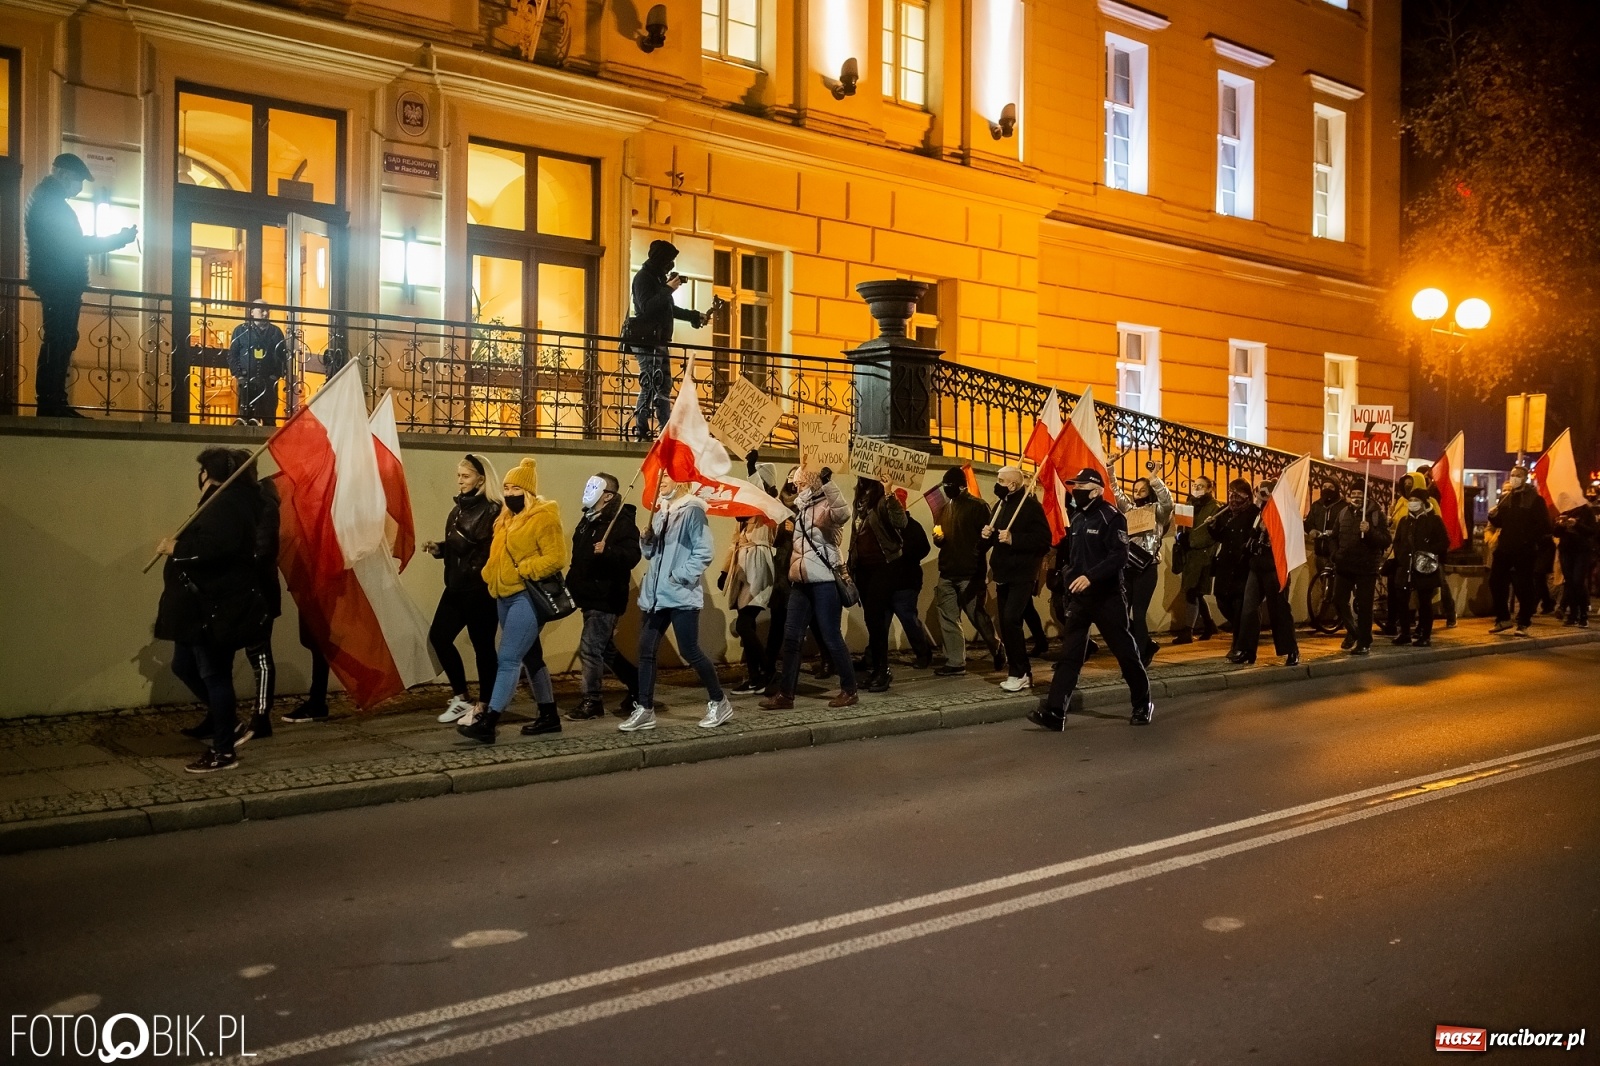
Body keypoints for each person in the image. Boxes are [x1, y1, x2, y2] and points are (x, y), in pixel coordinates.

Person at [154, 448, 269, 773]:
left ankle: (223, 751)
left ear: (208, 474)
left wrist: (177, 549)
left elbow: (216, 549)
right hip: (198, 611)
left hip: (215, 609)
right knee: (183, 664)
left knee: (215, 675)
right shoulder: (220, 503)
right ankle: (227, 722)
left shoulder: (227, 505)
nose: (199, 476)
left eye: (202, 470)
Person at [1028, 468, 1153, 730]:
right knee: (1070, 655)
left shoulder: (1112, 517)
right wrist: (1067, 581)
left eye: (1082, 486)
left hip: (1108, 597)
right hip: (1081, 599)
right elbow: (1074, 557)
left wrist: (1091, 576)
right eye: (1075, 486)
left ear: (1096, 490)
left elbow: (1118, 556)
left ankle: (1142, 703)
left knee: (1125, 651)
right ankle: (1055, 712)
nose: (1076, 490)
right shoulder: (1078, 518)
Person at [459, 458, 567, 743]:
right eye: (506, 487)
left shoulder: (544, 517)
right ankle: (549, 715)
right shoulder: (505, 519)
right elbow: (496, 556)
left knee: (508, 659)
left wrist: (525, 570)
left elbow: (556, 558)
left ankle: (489, 722)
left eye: (515, 488)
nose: (508, 493)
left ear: (528, 491)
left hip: (527, 596)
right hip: (503, 595)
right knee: (532, 657)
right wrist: (489, 573)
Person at [24, 153, 138, 418]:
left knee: (61, 340)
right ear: (64, 175)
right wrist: (118, 239)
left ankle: (53, 401)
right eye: (78, 182)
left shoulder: (46, 199)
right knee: (59, 341)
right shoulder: (51, 203)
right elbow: (76, 244)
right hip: (59, 282)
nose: (79, 188)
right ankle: (51, 403)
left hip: (57, 281)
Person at [622, 473, 733, 731]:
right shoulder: (663, 510)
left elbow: (704, 551)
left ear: (680, 481)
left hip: (680, 595)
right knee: (646, 650)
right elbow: (651, 554)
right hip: (656, 596)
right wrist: (646, 539)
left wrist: (678, 575)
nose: (661, 482)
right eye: (660, 478)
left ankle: (719, 701)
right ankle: (645, 709)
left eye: (667, 477)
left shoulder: (692, 511)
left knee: (689, 650)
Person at [760, 467, 858, 710]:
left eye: (801, 481)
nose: (796, 485)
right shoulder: (800, 507)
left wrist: (828, 483)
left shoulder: (827, 505)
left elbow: (843, 513)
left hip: (824, 581)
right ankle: (786, 694)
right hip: (800, 582)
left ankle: (849, 689)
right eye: (795, 481)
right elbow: (774, 504)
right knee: (791, 636)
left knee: (831, 635)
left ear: (812, 482)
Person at [423, 454, 502, 725]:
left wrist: (466, 562)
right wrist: (440, 549)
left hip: (479, 590)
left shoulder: (492, 509)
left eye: (465, 476)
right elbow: (459, 548)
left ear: (481, 478)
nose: (460, 481)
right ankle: (461, 696)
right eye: (458, 476)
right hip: (455, 586)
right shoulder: (458, 509)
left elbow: (484, 549)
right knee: (439, 637)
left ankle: (485, 704)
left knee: (483, 648)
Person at [566, 471, 645, 718]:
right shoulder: (588, 520)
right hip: (588, 595)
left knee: (590, 649)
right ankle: (640, 686)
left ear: (608, 495)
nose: (588, 490)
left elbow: (632, 556)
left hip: (605, 598)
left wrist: (608, 550)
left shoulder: (620, 523)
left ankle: (592, 701)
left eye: (595, 487)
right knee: (605, 650)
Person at [625, 240, 710, 440]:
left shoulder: (656, 278)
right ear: (660, 259)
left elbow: (669, 309)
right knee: (649, 382)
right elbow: (646, 307)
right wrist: (668, 289)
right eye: (669, 260)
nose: (671, 265)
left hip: (659, 339)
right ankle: (641, 428)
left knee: (663, 384)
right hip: (646, 340)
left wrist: (694, 316)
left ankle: (666, 428)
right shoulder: (643, 278)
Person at [983, 466, 1052, 692]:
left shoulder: (1030, 507)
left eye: (1001, 480)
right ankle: (1019, 671)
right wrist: (985, 536)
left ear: (1013, 485)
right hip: (1003, 573)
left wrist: (1015, 539)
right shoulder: (1000, 505)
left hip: (1022, 573)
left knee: (1012, 619)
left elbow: (1043, 540)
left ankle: (1020, 672)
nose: (997, 483)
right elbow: (992, 541)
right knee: (1006, 623)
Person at [931, 466, 1002, 676]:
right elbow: (941, 536)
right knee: (948, 617)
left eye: (950, 485)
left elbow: (988, 537)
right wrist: (939, 539)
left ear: (962, 486)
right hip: (947, 571)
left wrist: (975, 553)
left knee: (976, 615)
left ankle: (997, 647)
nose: (946, 489)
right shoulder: (945, 508)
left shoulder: (978, 507)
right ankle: (956, 662)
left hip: (970, 573)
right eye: (945, 486)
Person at [1226, 481, 1300, 666]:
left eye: (1265, 492)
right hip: (1257, 565)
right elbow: (1252, 535)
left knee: (1279, 609)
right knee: (1248, 608)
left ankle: (1291, 650)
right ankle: (1247, 650)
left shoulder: (1285, 512)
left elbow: (1289, 538)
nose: (1261, 494)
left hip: (1274, 567)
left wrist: (1272, 529)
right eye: (1259, 491)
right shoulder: (1260, 512)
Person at [849, 476, 908, 692]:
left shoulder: (883, 499)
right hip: (863, 568)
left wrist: (889, 492)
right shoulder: (860, 501)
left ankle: (883, 670)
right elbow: (855, 535)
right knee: (872, 620)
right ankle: (876, 668)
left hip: (883, 567)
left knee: (877, 619)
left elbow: (901, 522)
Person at [1114, 471, 1174, 665]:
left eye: (1142, 490)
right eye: (1135, 490)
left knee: (1139, 613)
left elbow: (1168, 502)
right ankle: (1146, 643)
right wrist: (1110, 469)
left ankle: (1140, 655)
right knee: (1121, 612)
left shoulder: (1157, 511)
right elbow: (1116, 493)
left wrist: (1155, 479)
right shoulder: (1130, 509)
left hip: (1147, 567)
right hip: (1129, 566)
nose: (1138, 494)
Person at [1487, 465, 1552, 637]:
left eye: (1518, 475)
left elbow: (1544, 526)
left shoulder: (1534, 500)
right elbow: (1500, 522)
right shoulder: (1506, 498)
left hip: (1524, 550)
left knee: (1523, 586)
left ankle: (1523, 621)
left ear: (1525, 478)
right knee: (1495, 582)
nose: (1515, 478)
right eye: (1513, 475)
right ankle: (1503, 618)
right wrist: (1493, 516)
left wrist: (1527, 540)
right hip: (1505, 548)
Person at [1332, 484, 1391, 654]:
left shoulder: (1375, 514)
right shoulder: (1343, 513)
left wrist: (1370, 531)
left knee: (1364, 606)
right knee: (1338, 600)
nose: (1356, 496)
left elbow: (1386, 540)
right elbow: (1334, 537)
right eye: (1353, 493)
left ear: (1367, 497)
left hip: (1366, 567)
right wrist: (1335, 555)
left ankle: (1364, 641)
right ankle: (1353, 632)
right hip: (1345, 565)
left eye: (1360, 493)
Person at [724, 512, 777, 695]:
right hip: (741, 575)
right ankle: (755, 677)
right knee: (748, 626)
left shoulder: (765, 518)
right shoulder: (741, 523)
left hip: (758, 574)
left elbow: (772, 534)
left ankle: (768, 670)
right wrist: (725, 571)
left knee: (744, 624)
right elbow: (733, 545)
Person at [1391, 488, 1450, 646]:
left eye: (1416, 500)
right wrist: (1401, 556)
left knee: (1424, 602)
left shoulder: (1434, 520)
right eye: (1411, 500)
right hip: (1406, 567)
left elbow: (1444, 542)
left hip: (1424, 567)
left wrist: (1427, 552)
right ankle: (1405, 633)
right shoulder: (1404, 521)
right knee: (1401, 600)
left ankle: (1425, 635)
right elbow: (1397, 541)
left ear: (1424, 503)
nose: (1412, 503)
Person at [1170, 475, 1220, 643]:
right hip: (1190, 554)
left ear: (1209, 489)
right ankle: (1209, 624)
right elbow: (1182, 527)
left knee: (1192, 591)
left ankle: (1188, 631)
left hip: (1202, 555)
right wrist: (1181, 536)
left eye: (1201, 486)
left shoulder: (1214, 507)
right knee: (1195, 592)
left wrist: (1190, 541)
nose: (1196, 489)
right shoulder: (1190, 504)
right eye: (1194, 485)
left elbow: (1209, 535)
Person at [888, 499, 936, 670]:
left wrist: (904, 555)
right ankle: (873, 656)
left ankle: (923, 654)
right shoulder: (885, 525)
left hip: (906, 582)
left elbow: (924, 549)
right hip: (887, 583)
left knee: (908, 619)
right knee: (879, 622)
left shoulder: (912, 527)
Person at [1207, 479, 1258, 633]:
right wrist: (1212, 527)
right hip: (1225, 562)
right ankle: (1240, 629)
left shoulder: (1253, 513)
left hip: (1242, 564)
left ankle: (1240, 638)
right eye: (1231, 493)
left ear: (1247, 495)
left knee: (1239, 601)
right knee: (1222, 599)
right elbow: (1219, 536)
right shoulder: (1225, 512)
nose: (1234, 497)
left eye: (1238, 493)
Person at [226, 301, 289, 426]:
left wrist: (275, 376)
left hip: (268, 382)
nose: (265, 313)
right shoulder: (240, 331)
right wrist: (239, 375)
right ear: (252, 312)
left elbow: (282, 356)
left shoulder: (276, 332)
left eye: (267, 311)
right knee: (245, 417)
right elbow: (232, 355)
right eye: (262, 310)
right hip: (246, 381)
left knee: (269, 417)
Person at [1555, 501, 1596, 629]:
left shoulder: (1586, 511)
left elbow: (1592, 531)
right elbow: (1555, 533)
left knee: (1578, 581)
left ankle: (1583, 615)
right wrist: (1560, 525)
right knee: (1570, 582)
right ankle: (1572, 615)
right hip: (1566, 551)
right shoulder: (1563, 510)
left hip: (1581, 551)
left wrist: (1576, 524)